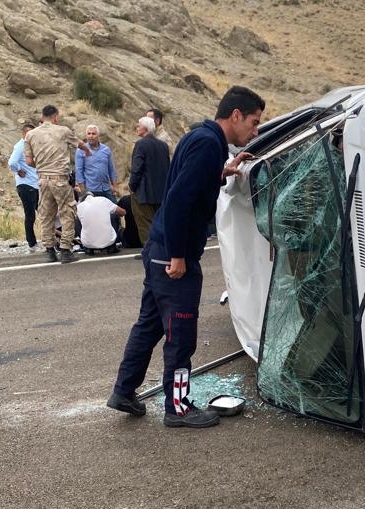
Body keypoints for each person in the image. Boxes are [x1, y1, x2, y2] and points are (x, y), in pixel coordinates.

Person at [107, 86, 265, 428]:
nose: (255, 131)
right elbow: (179, 198)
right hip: (172, 255)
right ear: (235, 115)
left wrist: (223, 172)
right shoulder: (209, 144)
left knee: (149, 325)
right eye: (253, 123)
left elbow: (187, 182)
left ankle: (123, 390)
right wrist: (179, 256)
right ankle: (177, 408)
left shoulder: (201, 137)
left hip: (159, 248)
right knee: (181, 333)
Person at [24, 104, 90, 264]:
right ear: (55, 117)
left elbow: (28, 161)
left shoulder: (30, 135)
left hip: (42, 180)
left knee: (47, 215)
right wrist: (87, 151)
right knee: (67, 212)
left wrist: (42, 167)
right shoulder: (63, 131)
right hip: (60, 179)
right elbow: (80, 144)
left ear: (42, 116)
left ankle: (49, 250)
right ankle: (66, 250)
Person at [129, 116, 169, 246]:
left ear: (145, 128)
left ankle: (149, 250)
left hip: (143, 192)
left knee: (145, 224)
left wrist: (132, 186)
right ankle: (161, 249)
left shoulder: (140, 144)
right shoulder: (163, 145)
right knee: (159, 222)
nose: (137, 127)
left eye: (138, 125)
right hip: (161, 191)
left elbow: (137, 168)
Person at [75, 124, 120, 237]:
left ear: (98, 135)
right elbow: (79, 172)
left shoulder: (106, 150)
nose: (91, 136)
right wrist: (83, 191)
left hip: (105, 188)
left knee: (114, 213)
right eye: (89, 134)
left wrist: (115, 186)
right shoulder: (81, 151)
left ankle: (115, 239)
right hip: (91, 190)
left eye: (93, 134)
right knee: (90, 216)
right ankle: (89, 240)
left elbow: (111, 169)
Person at [8, 123, 39, 252]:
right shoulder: (20, 146)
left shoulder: (31, 146)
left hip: (34, 184)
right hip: (26, 185)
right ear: (24, 134)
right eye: (29, 133)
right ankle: (32, 243)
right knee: (30, 214)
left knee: (44, 213)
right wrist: (18, 170)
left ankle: (51, 240)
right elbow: (12, 162)